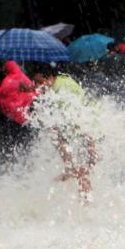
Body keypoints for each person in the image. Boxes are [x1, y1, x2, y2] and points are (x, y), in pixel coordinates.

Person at [33, 65, 98, 199]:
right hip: (90, 126)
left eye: (39, 82)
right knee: (82, 171)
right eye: (35, 83)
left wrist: (91, 146)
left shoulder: (61, 91)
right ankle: (72, 175)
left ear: (49, 77)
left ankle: (87, 206)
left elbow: (77, 119)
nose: (37, 86)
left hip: (89, 131)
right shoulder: (61, 80)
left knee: (82, 172)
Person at [0, 59, 37, 132]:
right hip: (20, 108)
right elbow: (30, 88)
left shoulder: (6, 80)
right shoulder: (20, 76)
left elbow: (0, 94)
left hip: (9, 110)